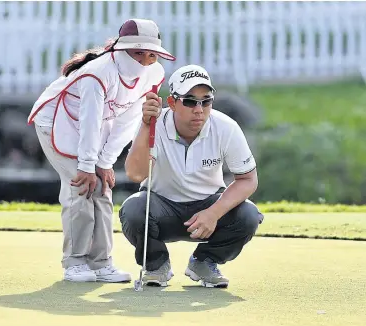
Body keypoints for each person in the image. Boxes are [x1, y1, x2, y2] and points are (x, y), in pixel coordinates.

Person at [27, 19, 175, 283]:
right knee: (81, 186)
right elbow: (89, 120)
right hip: (58, 121)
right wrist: (86, 166)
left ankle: (101, 262)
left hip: (100, 123)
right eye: (137, 52)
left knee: (103, 187)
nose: (144, 60)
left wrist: (105, 162)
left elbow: (127, 119)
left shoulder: (153, 74)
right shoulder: (98, 73)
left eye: (151, 54)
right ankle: (74, 262)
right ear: (121, 50)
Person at [119, 65, 264, 288]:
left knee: (249, 215)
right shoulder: (153, 125)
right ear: (172, 103)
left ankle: (204, 261)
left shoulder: (226, 127)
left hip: (208, 206)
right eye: (190, 101)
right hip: (161, 207)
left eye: (206, 101)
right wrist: (147, 126)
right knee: (133, 209)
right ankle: (156, 265)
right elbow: (136, 174)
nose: (199, 109)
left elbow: (248, 179)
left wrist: (214, 213)